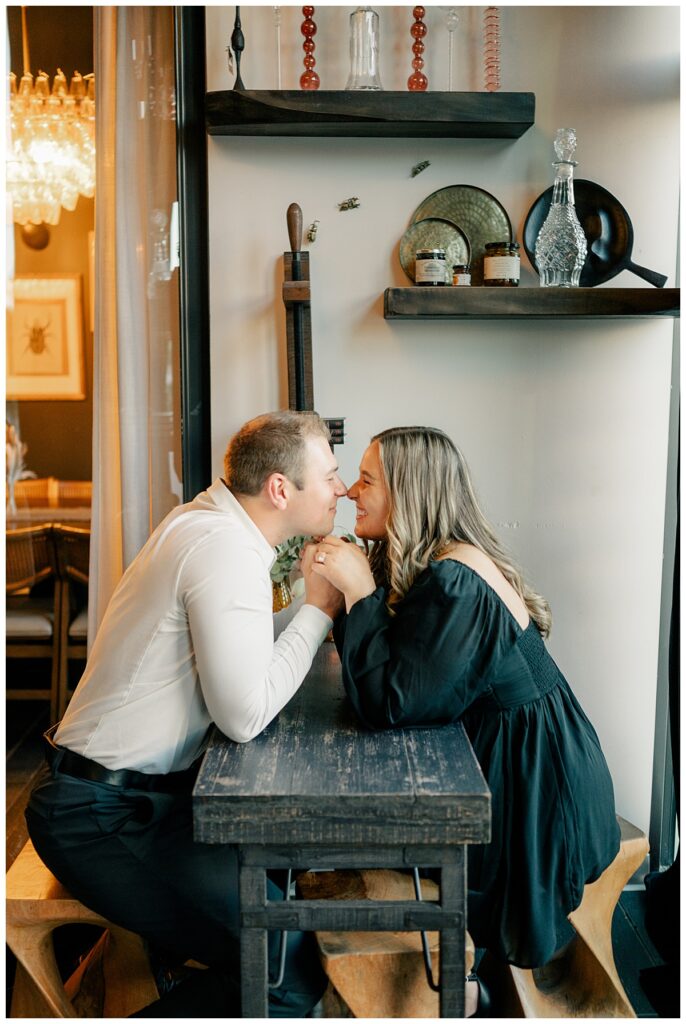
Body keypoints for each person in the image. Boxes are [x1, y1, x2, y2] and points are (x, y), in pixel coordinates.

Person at [26, 410, 347, 1018]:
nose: (341, 490)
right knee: (285, 972)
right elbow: (244, 715)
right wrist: (321, 609)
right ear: (281, 489)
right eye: (329, 476)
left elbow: (239, 664)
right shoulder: (224, 550)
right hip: (98, 817)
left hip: (139, 799)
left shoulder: (208, 523)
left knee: (278, 902)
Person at [309, 425, 621, 1017]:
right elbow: (394, 684)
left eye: (367, 479)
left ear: (409, 492)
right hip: (512, 757)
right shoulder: (439, 564)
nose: (351, 490)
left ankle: (458, 990)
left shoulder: (457, 581)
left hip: (539, 784)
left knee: (396, 846)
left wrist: (359, 593)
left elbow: (391, 705)